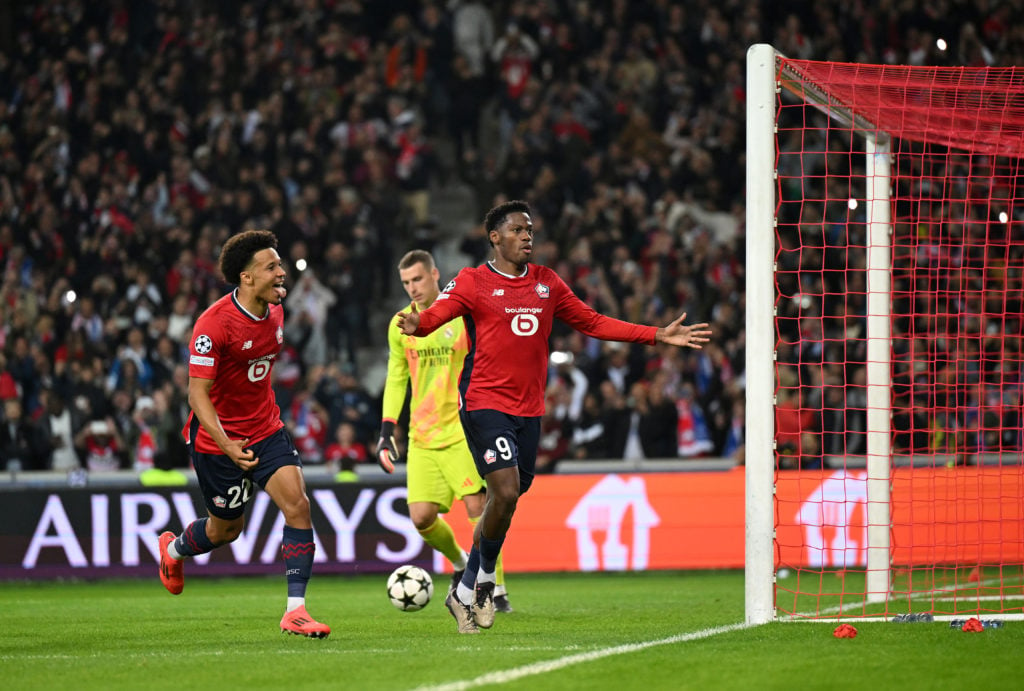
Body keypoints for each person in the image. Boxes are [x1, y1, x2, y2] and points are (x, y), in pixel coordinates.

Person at [396, 200, 711, 634]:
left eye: (530, 230)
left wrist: (655, 334)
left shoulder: (547, 283)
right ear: (496, 237)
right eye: (518, 230)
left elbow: (593, 322)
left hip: (530, 410)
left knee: (509, 498)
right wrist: (420, 325)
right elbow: (437, 315)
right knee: (503, 490)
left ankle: (469, 586)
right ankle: (483, 581)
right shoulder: (472, 281)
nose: (528, 236)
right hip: (484, 402)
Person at [156, 229, 330, 639]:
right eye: (271, 267)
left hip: (266, 429)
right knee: (225, 531)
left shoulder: (277, 309)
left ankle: (296, 611)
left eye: (280, 264)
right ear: (246, 277)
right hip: (218, 441)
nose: (282, 273)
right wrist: (227, 444)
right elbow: (196, 395)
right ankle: (173, 550)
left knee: (298, 505)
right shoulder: (213, 324)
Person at [378, 249, 512, 619]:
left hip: (460, 431)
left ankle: (494, 588)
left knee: (477, 507)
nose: (413, 288)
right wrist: (388, 427)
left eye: (418, 279)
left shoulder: (460, 317)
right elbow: (396, 376)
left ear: (435, 273)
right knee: (421, 518)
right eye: (406, 283)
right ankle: (459, 561)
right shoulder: (400, 324)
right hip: (421, 437)